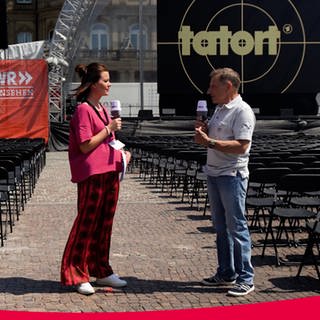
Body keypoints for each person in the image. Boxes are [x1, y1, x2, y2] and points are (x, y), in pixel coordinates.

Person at [61, 62, 131, 295]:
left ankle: (101, 270)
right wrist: (109, 128)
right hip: (92, 173)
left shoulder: (101, 109)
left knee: (104, 224)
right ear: (93, 84)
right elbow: (85, 145)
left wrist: (121, 154)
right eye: (105, 80)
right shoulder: (83, 110)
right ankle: (76, 273)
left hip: (110, 170)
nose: (109, 83)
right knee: (87, 224)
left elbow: (105, 142)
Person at [195, 67, 256, 297]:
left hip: (232, 176)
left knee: (237, 227)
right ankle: (226, 272)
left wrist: (209, 141)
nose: (209, 90)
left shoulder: (242, 111)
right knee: (221, 228)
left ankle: (245, 278)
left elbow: (242, 146)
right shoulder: (220, 108)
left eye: (213, 86)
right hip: (214, 173)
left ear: (228, 86)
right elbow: (215, 139)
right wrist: (204, 132)